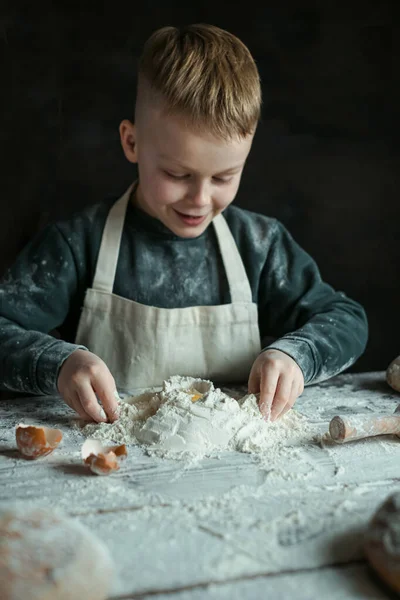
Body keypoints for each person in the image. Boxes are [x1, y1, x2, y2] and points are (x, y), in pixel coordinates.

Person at [0, 24, 368, 425]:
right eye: (177, 174)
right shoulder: (76, 244)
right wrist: (57, 363)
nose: (201, 198)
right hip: (115, 460)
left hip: (237, 468)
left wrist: (297, 354)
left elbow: (346, 319)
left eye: (224, 177)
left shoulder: (260, 246)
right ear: (132, 142)